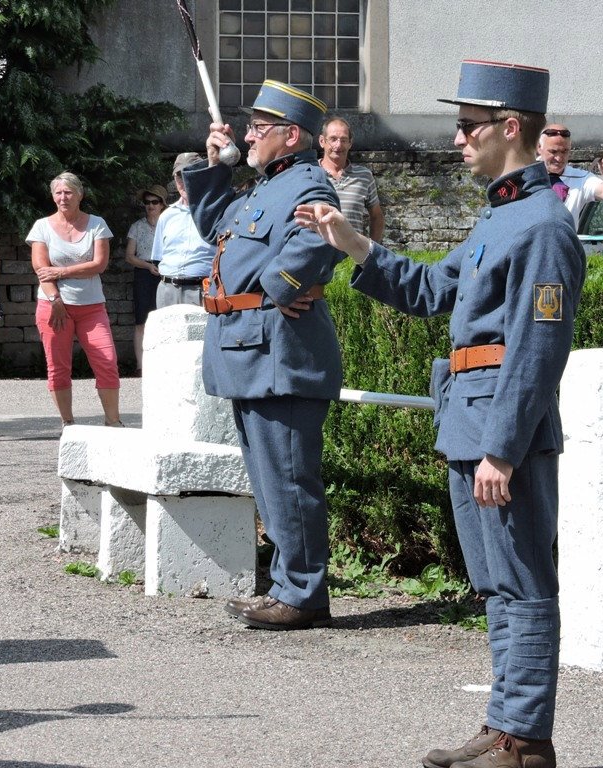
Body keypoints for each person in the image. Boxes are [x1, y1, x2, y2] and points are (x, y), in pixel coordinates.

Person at [295, 60, 585, 768]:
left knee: (523, 583)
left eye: (466, 126)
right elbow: (431, 290)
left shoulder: (544, 224)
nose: (457, 139)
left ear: (508, 127)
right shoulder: (501, 214)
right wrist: (354, 243)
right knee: (496, 585)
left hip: (500, 433)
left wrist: (503, 449)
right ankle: (504, 725)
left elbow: (537, 349)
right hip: (469, 420)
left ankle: (526, 740)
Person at [183, 80, 343, 631]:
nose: (247, 136)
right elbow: (215, 227)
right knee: (271, 482)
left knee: (289, 481)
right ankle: (289, 587)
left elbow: (319, 241)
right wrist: (215, 166)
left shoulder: (309, 183)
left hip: (281, 354)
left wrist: (277, 289)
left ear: (291, 135)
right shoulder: (264, 187)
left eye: (257, 128)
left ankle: (303, 593)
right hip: (250, 353)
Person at [27, 172, 122, 429]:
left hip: (91, 307)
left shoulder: (97, 224)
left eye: (68, 192)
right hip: (53, 306)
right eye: (58, 192)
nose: (63, 197)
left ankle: (113, 421)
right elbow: (41, 269)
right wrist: (55, 299)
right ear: (52, 196)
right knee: (58, 366)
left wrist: (60, 272)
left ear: (80, 194)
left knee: (107, 361)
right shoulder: (42, 226)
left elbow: (99, 265)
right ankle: (68, 423)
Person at [151, 153, 213, 309]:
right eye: (179, 176)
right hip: (167, 290)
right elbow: (158, 258)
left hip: (202, 289)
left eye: (190, 173)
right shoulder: (166, 216)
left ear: (202, 176)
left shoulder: (216, 212)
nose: (184, 180)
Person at [124, 183, 168, 375]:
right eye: (147, 202)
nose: (150, 205)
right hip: (144, 272)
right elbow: (129, 256)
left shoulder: (169, 224)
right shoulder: (137, 226)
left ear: (162, 204)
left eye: (155, 202)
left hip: (166, 271)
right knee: (141, 319)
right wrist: (148, 266)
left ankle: (163, 364)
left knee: (165, 317)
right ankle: (140, 366)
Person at [318, 116, 385, 241]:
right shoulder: (309, 174)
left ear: (350, 143)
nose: (338, 145)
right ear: (322, 141)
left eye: (343, 140)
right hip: (318, 251)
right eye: (333, 139)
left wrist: (372, 249)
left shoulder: (364, 176)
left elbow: (377, 216)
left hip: (352, 251)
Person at [537, 123, 603, 224]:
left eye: (564, 151)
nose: (559, 158)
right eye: (553, 151)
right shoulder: (524, 174)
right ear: (539, 147)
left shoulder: (581, 178)